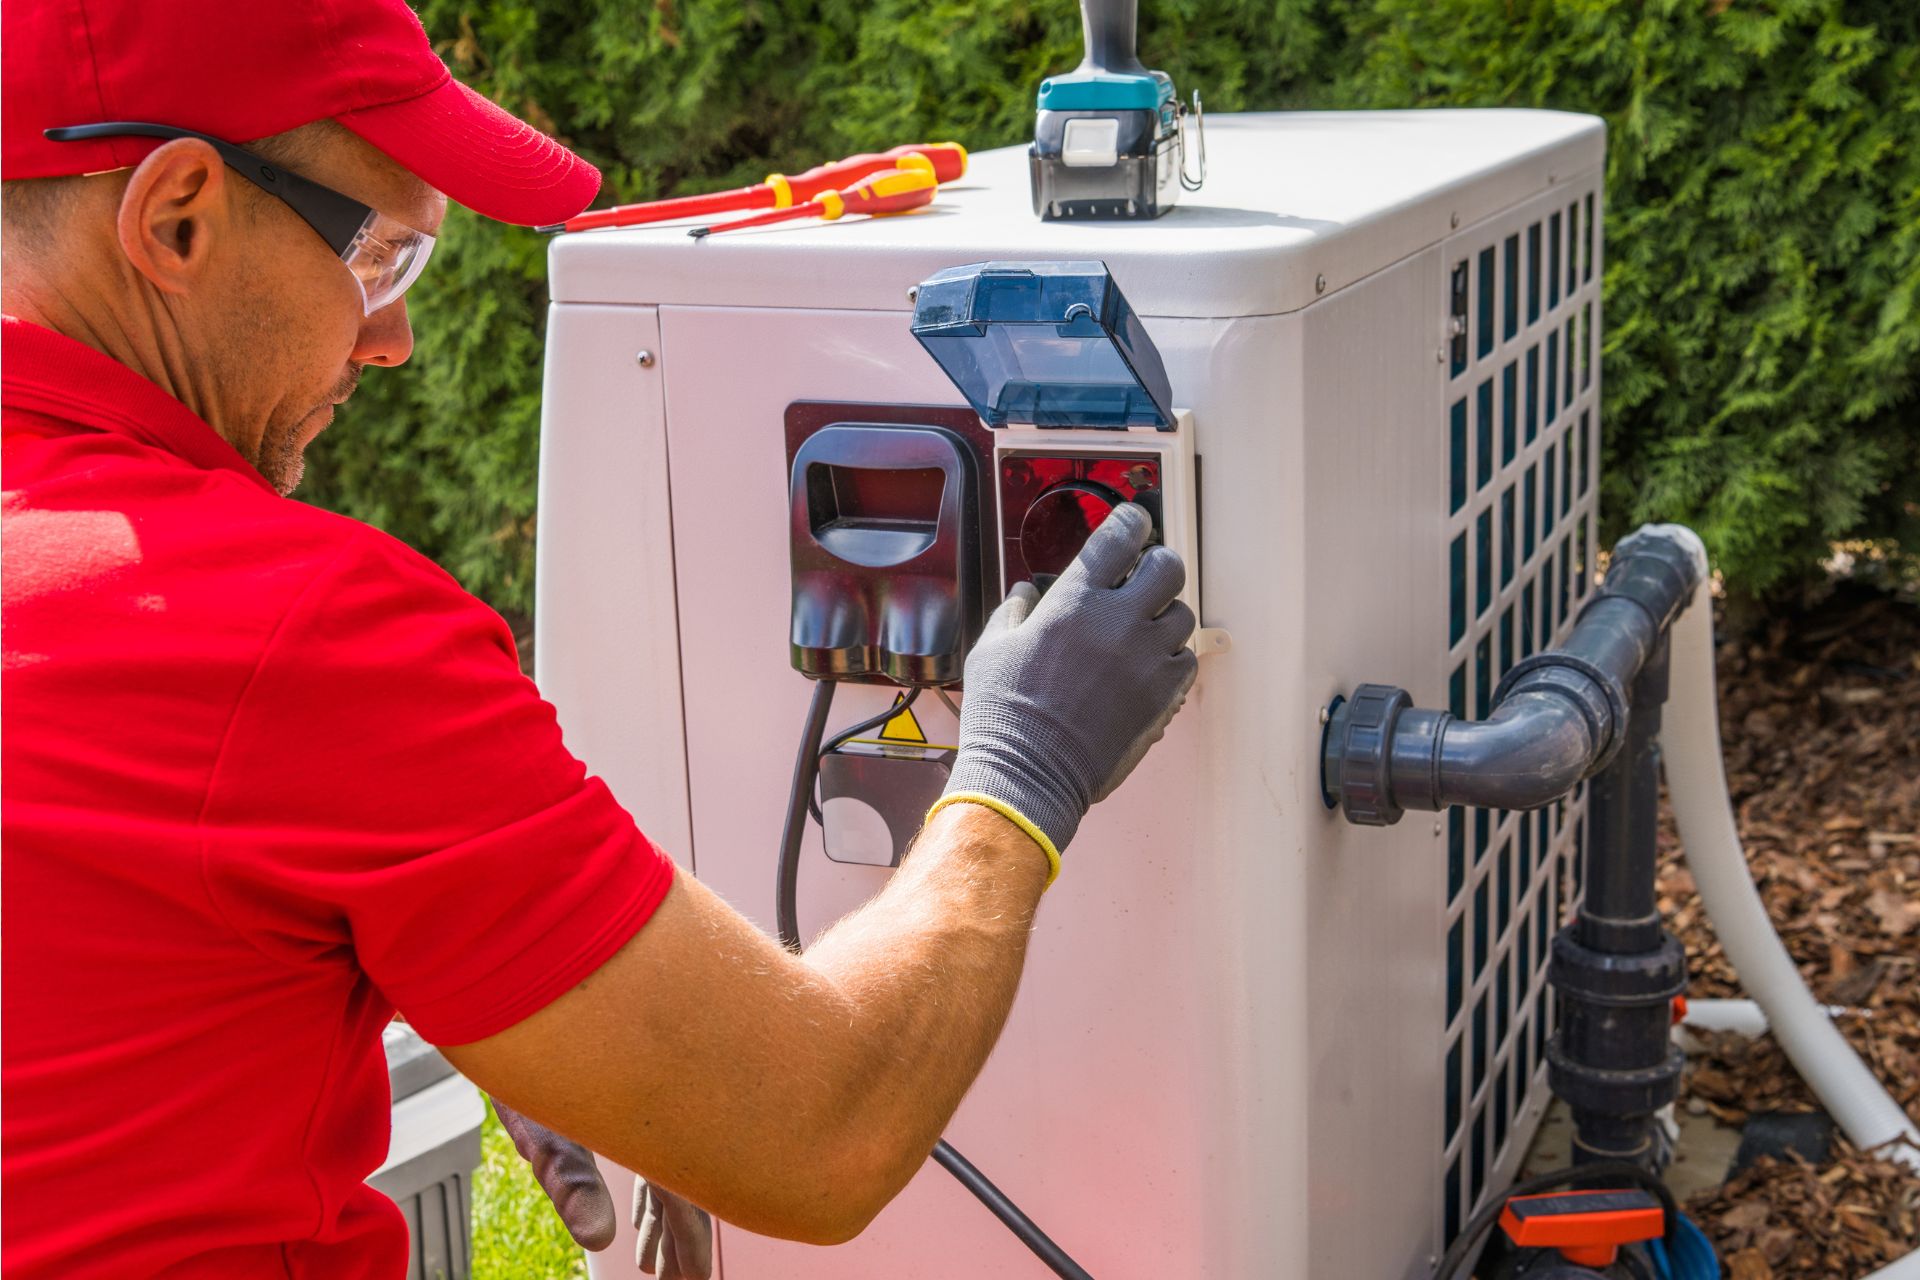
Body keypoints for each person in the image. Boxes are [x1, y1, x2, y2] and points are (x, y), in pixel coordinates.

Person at [0, 2, 1200, 1278]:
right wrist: (1022, 771)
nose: (393, 341)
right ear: (178, 215)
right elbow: (818, 1124)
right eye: (380, 259)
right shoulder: (290, 632)